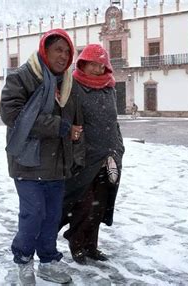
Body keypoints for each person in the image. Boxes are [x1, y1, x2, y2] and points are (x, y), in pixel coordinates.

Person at [0, 28, 82, 285]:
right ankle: (23, 260)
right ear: (44, 50)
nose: (63, 56)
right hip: (28, 161)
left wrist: (75, 137)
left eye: (68, 51)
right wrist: (59, 127)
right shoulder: (22, 77)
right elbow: (12, 115)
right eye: (58, 49)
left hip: (57, 163)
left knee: (51, 216)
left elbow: (74, 119)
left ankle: (48, 261)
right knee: (33, 214)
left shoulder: (68, 82)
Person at [60, 44, 125, 265]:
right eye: (93, 64)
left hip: (109, 154)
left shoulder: (110, 87)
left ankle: (91, 246)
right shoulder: (73, 86)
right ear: (82, 63)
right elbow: (69, 120)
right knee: (84, 203)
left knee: (101, 204)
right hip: (85, 157)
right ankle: (76, 242)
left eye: (101, 64)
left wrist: (118, 147)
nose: (98, 69)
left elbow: (113, 121)